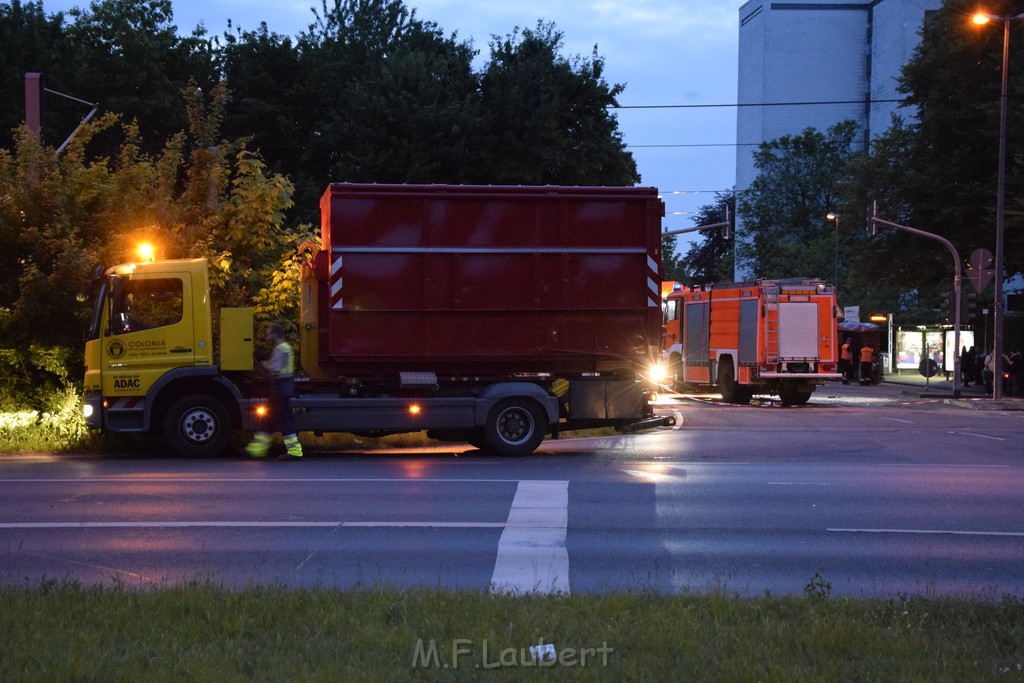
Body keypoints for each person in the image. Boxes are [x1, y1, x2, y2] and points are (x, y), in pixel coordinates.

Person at [246, 323, 303, 460]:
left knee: (284, 422)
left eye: (269, 334)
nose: (267, 337)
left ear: (276, 334)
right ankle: (257, 450)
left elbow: (274, 368)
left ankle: (295, 451)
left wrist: (261, 361)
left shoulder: (281, 350)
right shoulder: (285, 348)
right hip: (281, 392)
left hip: (280, 392)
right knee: (269, 421)